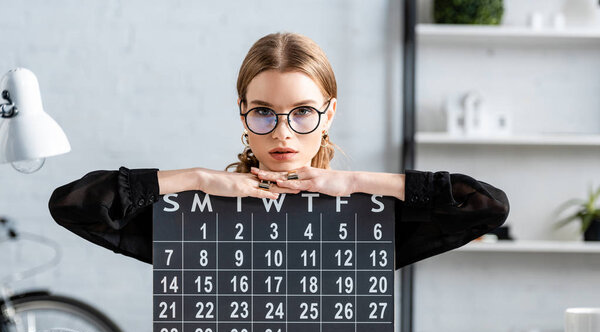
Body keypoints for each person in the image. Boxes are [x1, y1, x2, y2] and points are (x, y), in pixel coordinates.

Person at [48, 32, 509, 269]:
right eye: (264, 113)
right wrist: (197, 179)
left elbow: (485, 206)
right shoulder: (194, 213)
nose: (282, 134)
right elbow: (72, 206)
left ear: (329, 115)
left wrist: (352, 182)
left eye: (304, 112)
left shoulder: (368, 215)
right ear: (243, 113)